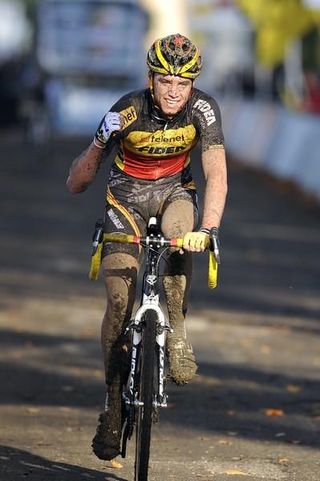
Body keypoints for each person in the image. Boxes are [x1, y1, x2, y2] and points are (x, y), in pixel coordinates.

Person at [66, 33, 228, 461]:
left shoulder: (202, 109)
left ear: (193, 84)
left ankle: (175, 327)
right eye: (165, 81)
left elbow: (216, 172)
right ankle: (114, 402)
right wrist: (100, 140)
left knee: (180, 238)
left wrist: (208, 228)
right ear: (150, 79)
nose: (174, 92)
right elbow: (76, 184)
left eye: (183, 83)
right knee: (120, 302)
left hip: (175, 192)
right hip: (124, 200)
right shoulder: (127, 109)